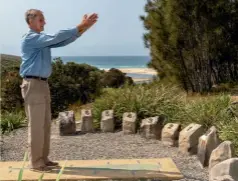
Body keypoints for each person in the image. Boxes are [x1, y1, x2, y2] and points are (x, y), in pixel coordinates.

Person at [19, 9, 98, 172]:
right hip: (33, 85)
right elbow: (57, 36)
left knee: (45, 124)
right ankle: (36, 163)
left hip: (41, 84)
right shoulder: (32, 38)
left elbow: (62, 41)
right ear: (31, 21)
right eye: (41, 20)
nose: (45, 22)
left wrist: (84, 28)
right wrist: (80, 25)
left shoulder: (41, 40)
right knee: (36, 125)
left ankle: (43, 159)